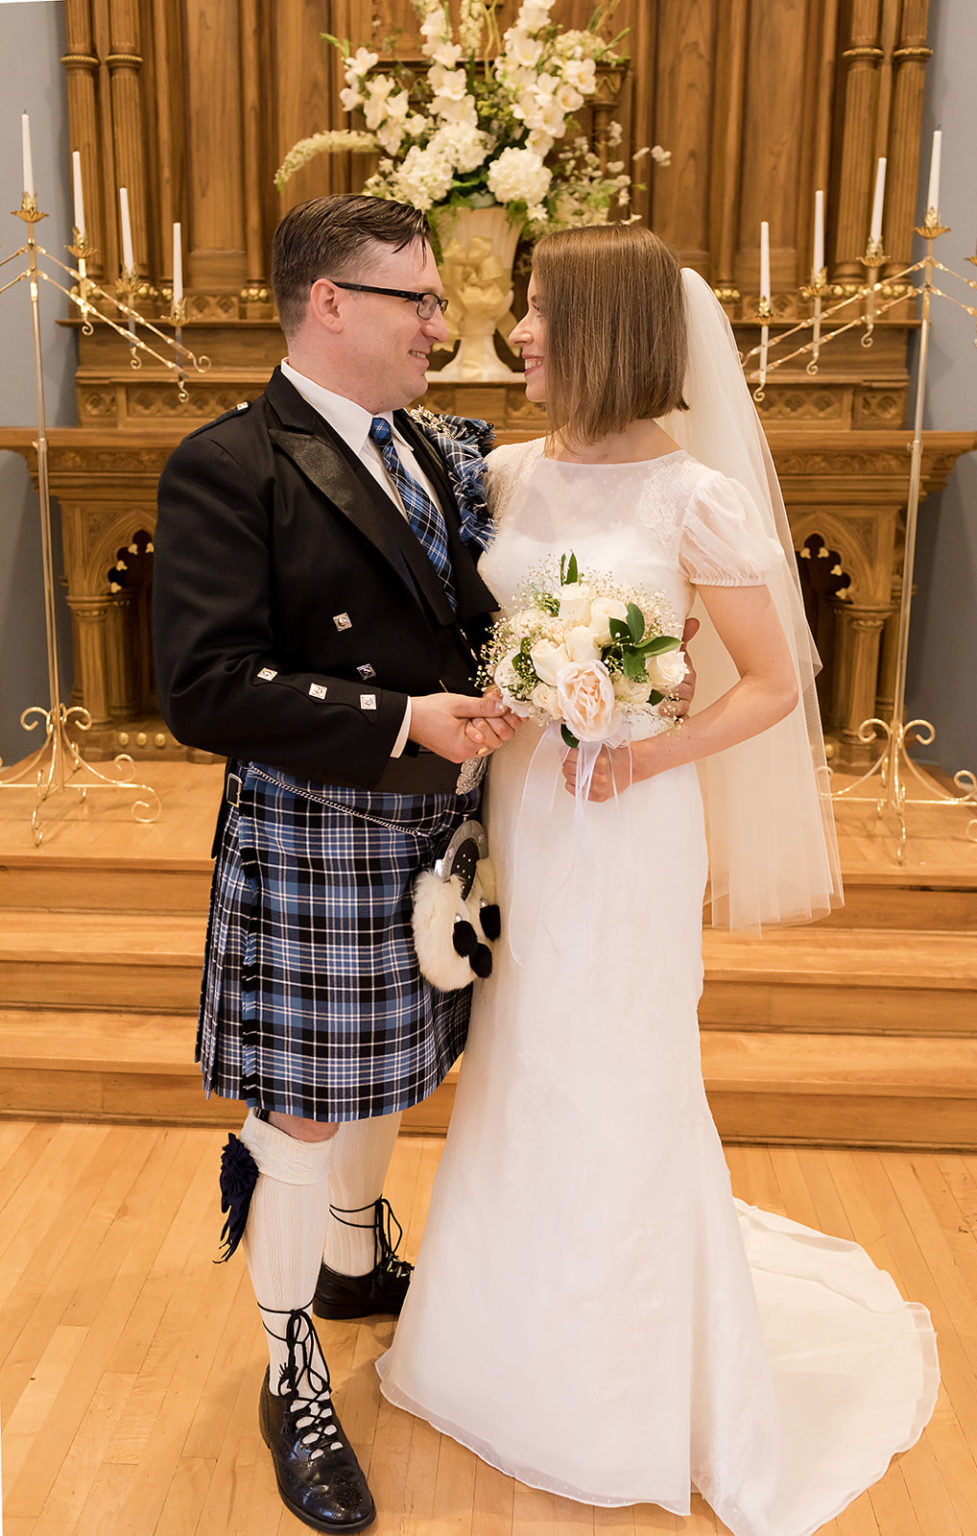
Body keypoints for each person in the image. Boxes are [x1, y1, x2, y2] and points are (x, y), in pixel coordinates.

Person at [377, 224, 940, 1536]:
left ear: (609, 332)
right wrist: (515, 697)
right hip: (528, 808)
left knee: (614, 1069)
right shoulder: (506, 473)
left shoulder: (696, 498)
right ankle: (496, 1345)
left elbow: (774, 682)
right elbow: (489, 629)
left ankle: (619, 1386)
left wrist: (650, 748)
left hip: (627, 822)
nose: (514, 334)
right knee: (520, 1060)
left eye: (537, 315)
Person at [152, 193, 528, 1535]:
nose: (443, 321)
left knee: (395, 1064)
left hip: (429, 825)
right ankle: (286, 1364)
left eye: (437, 300)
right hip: (317, 824)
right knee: (304, 1106)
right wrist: (397, 720)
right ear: (329, 305)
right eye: (416, 300)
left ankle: (358, 1263)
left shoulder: (433, 446)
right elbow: (200, 688)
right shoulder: (229, 461)